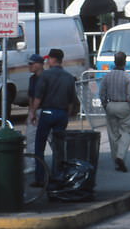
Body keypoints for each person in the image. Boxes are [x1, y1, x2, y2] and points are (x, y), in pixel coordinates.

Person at [29, 48, 78, 187]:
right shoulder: (69, 77)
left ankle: (40, 177)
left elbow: (38, 97)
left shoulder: (45, 75)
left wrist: (33, 113)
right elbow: (71, 101)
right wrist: (66, 114)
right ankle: (57, 175)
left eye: (48, 59)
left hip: (47, 112)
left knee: (40, 146)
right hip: (61, 113)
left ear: (52, 59)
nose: (47, 61)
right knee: (58, 146)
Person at [98, 51, 130, 172]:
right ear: (125, 62)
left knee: (113, 134)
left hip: (110, 105)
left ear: (114, 61)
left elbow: (102, 93)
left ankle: (116, 162)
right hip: (124, 105)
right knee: (128, 131)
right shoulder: (128, 77)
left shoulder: (107, 76)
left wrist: (105, 105)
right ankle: (121, 156)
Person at [25, 54, 45, 171]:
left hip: (44, 110)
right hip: (35, 111)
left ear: (39, 64)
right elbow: (31, 97)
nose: (29, 66)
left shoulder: (46, 77)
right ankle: (31, 164)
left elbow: (39, 97)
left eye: (31, 64)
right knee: (31, 138)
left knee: (51, 138)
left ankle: (59, 163)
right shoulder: (32, 79)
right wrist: (30, 113)